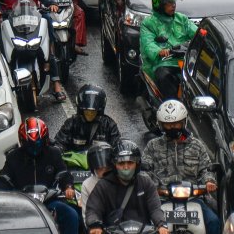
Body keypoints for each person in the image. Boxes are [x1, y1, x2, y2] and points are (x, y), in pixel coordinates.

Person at [142, 100, 221, 234]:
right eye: (168, 125)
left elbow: (206, 169)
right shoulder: (153, 146)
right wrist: (147, 184)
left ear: (184, 122)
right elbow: (145, 170)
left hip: (193, 198)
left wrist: (209, 181)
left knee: (214, 221)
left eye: (176, 123)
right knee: (144, 224)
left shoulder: (197, 145)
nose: (172, 127)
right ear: (161, 125)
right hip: (162, 198)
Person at [0, 118, 78, 234]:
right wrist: (0, 194)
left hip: (49, 201)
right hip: (22, 203)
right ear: (22, 141)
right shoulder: (13, 157)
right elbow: (3, 179)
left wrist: (68, 187)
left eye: (38, 143)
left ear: (45, 140)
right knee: (1, 220)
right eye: (30, 145)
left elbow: (63, 173)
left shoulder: (54, 153)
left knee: (72, 214)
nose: (34, 148)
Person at [85, 141, 168, 234]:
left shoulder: (146, 182)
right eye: (121, 163)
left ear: (137, 164)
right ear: (114, 165)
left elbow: (155, 209)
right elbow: (93, 209)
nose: (126, 167)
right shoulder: (103, 185)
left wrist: (161, 224)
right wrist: (95, 225)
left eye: (130, 162)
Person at [139, 0, 197, 101]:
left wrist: (204, 37)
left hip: (185, 60)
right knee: (164, 76)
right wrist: (160, 51)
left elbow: (196, 33)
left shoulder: (182, 19)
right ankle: (171, 107)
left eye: (174, 2)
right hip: (163, 62)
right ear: (159, 5)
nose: (173, 5)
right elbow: (148, 44)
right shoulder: (148, 23)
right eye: (169, 3)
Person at [53, 84, 123, 153]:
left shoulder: (109, 125)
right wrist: (58, 149)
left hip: (100, 163)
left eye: (93, 111)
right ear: (81, 109)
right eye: (87, 111)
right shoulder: (71, 123)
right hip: (75, 163)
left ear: (99, 110)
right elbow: (59, 142)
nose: (90, 114)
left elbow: (117, 146)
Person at [75, 141, 115, 209]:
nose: (104, 172)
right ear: (94, 169)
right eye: (100, 169)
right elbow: (86, 214)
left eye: (107, 168)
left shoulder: (121, 180)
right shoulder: (87, 185)